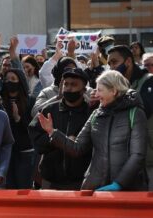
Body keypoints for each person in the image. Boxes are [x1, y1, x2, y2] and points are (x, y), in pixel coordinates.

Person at [38, 70, 147, 191]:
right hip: (96, 187)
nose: (96, 94)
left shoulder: (135, 113)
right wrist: (53, 132)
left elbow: (137, 155)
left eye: (100, 90)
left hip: (129, 188)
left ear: (114, 91)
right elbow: (77, 148)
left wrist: (119, 184)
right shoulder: (96, 114)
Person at [29, 68, 92, 190]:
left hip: (80, 182)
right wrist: (58, 140)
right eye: (66, 84)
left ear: (84, 89)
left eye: (74, 85)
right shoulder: (48, 111)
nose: (68, 88)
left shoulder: (90, 114)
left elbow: (90, 146)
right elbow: (37, 141)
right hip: (50, 180)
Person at [107, 45, 153, 189]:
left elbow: (144, 110)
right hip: (124, 161)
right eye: (109, 64)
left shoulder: (148, 81)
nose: (111, 67)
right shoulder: (117, 87)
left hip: (148, 159)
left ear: (128, 62)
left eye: (114, 62)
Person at [1, 69, 36, 189]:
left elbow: (33, 128)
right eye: (6, 79)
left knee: (23, 189)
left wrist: (18, 119)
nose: (9, 82)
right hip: (5, 152)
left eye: (13, 79)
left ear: (20, 81)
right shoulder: (0, 102)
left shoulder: (30, 101)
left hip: (24, 152)